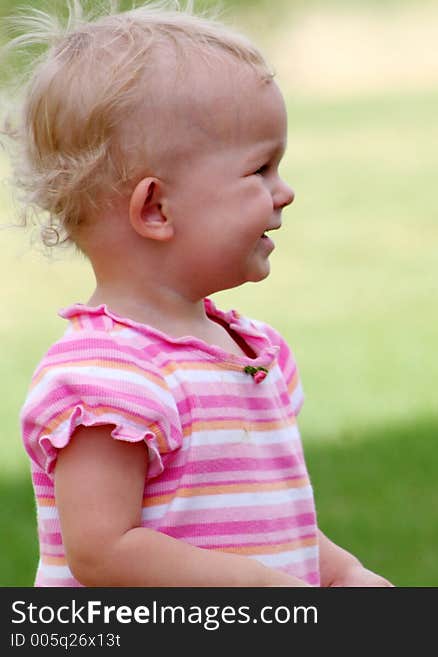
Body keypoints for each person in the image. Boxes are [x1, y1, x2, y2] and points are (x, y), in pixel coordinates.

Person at [7, 1, 392, 587]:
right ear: (156, 208)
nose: (284, 192)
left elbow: (272, 521)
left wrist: (342, 574)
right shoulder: (106, 379)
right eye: (260, 169)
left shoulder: (253, 352)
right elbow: (103, 550)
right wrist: (256, 587)